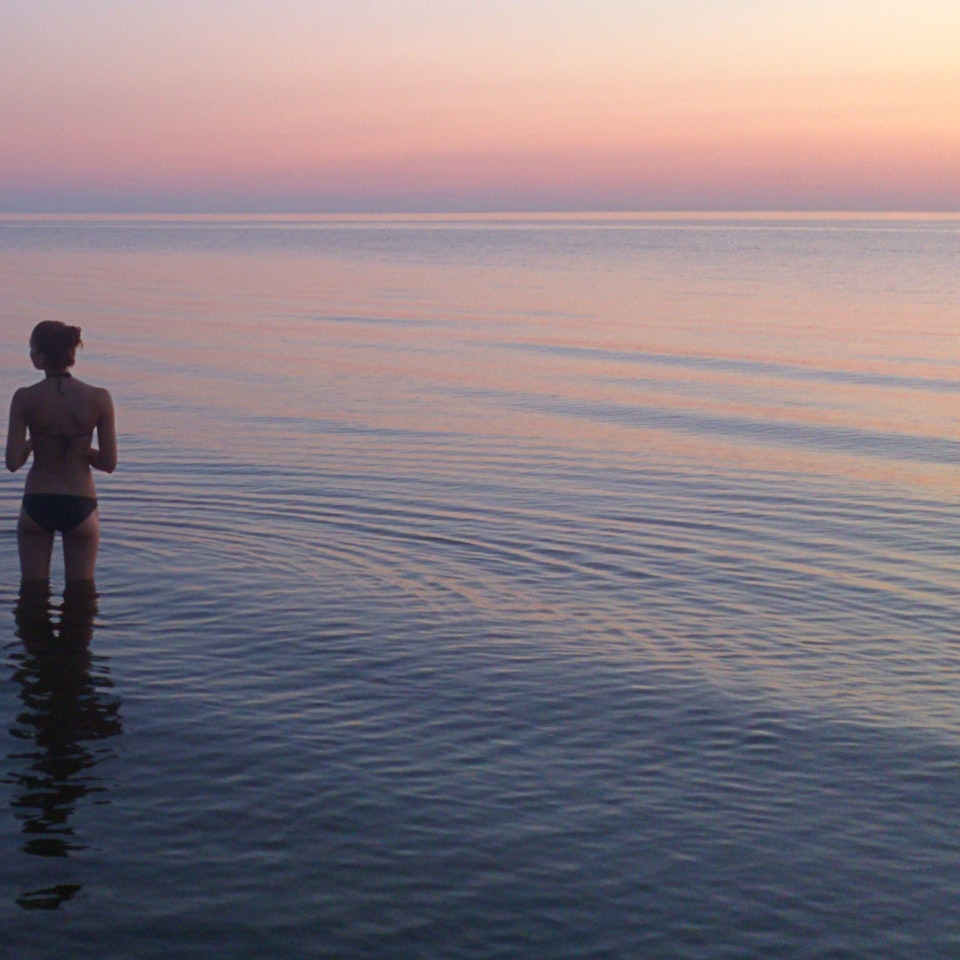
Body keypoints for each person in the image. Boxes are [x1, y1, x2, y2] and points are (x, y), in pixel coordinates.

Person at [6, 322, 116, 594]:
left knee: (31, 593)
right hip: (81, 504)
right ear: (71, 354)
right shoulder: (99, 398)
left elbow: (12, 462)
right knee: (82, 594)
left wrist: (34, 445)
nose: (30, 355)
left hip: (37, 502)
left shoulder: (24, 398)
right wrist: (82, 451)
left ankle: (31, 635)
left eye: (32, 350)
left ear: (40, 357)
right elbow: (108, 463)